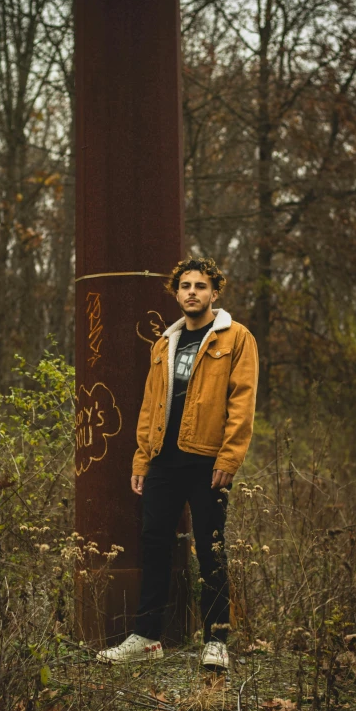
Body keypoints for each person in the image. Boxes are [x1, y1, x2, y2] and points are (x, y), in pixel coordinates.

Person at [97, 257, 258, 670]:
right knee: (154, 547)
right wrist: (141, 458)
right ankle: (148, 637)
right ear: (176, 293)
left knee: (211, 550)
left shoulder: (236, 338)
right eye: (185, 285)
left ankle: (216, 640)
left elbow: (242, 402)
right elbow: (151, 406)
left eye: (200, 286)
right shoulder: (164, 344)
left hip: (207, 462)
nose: (192, 292)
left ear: (214, 293)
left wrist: (230, 456)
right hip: (162, 462)